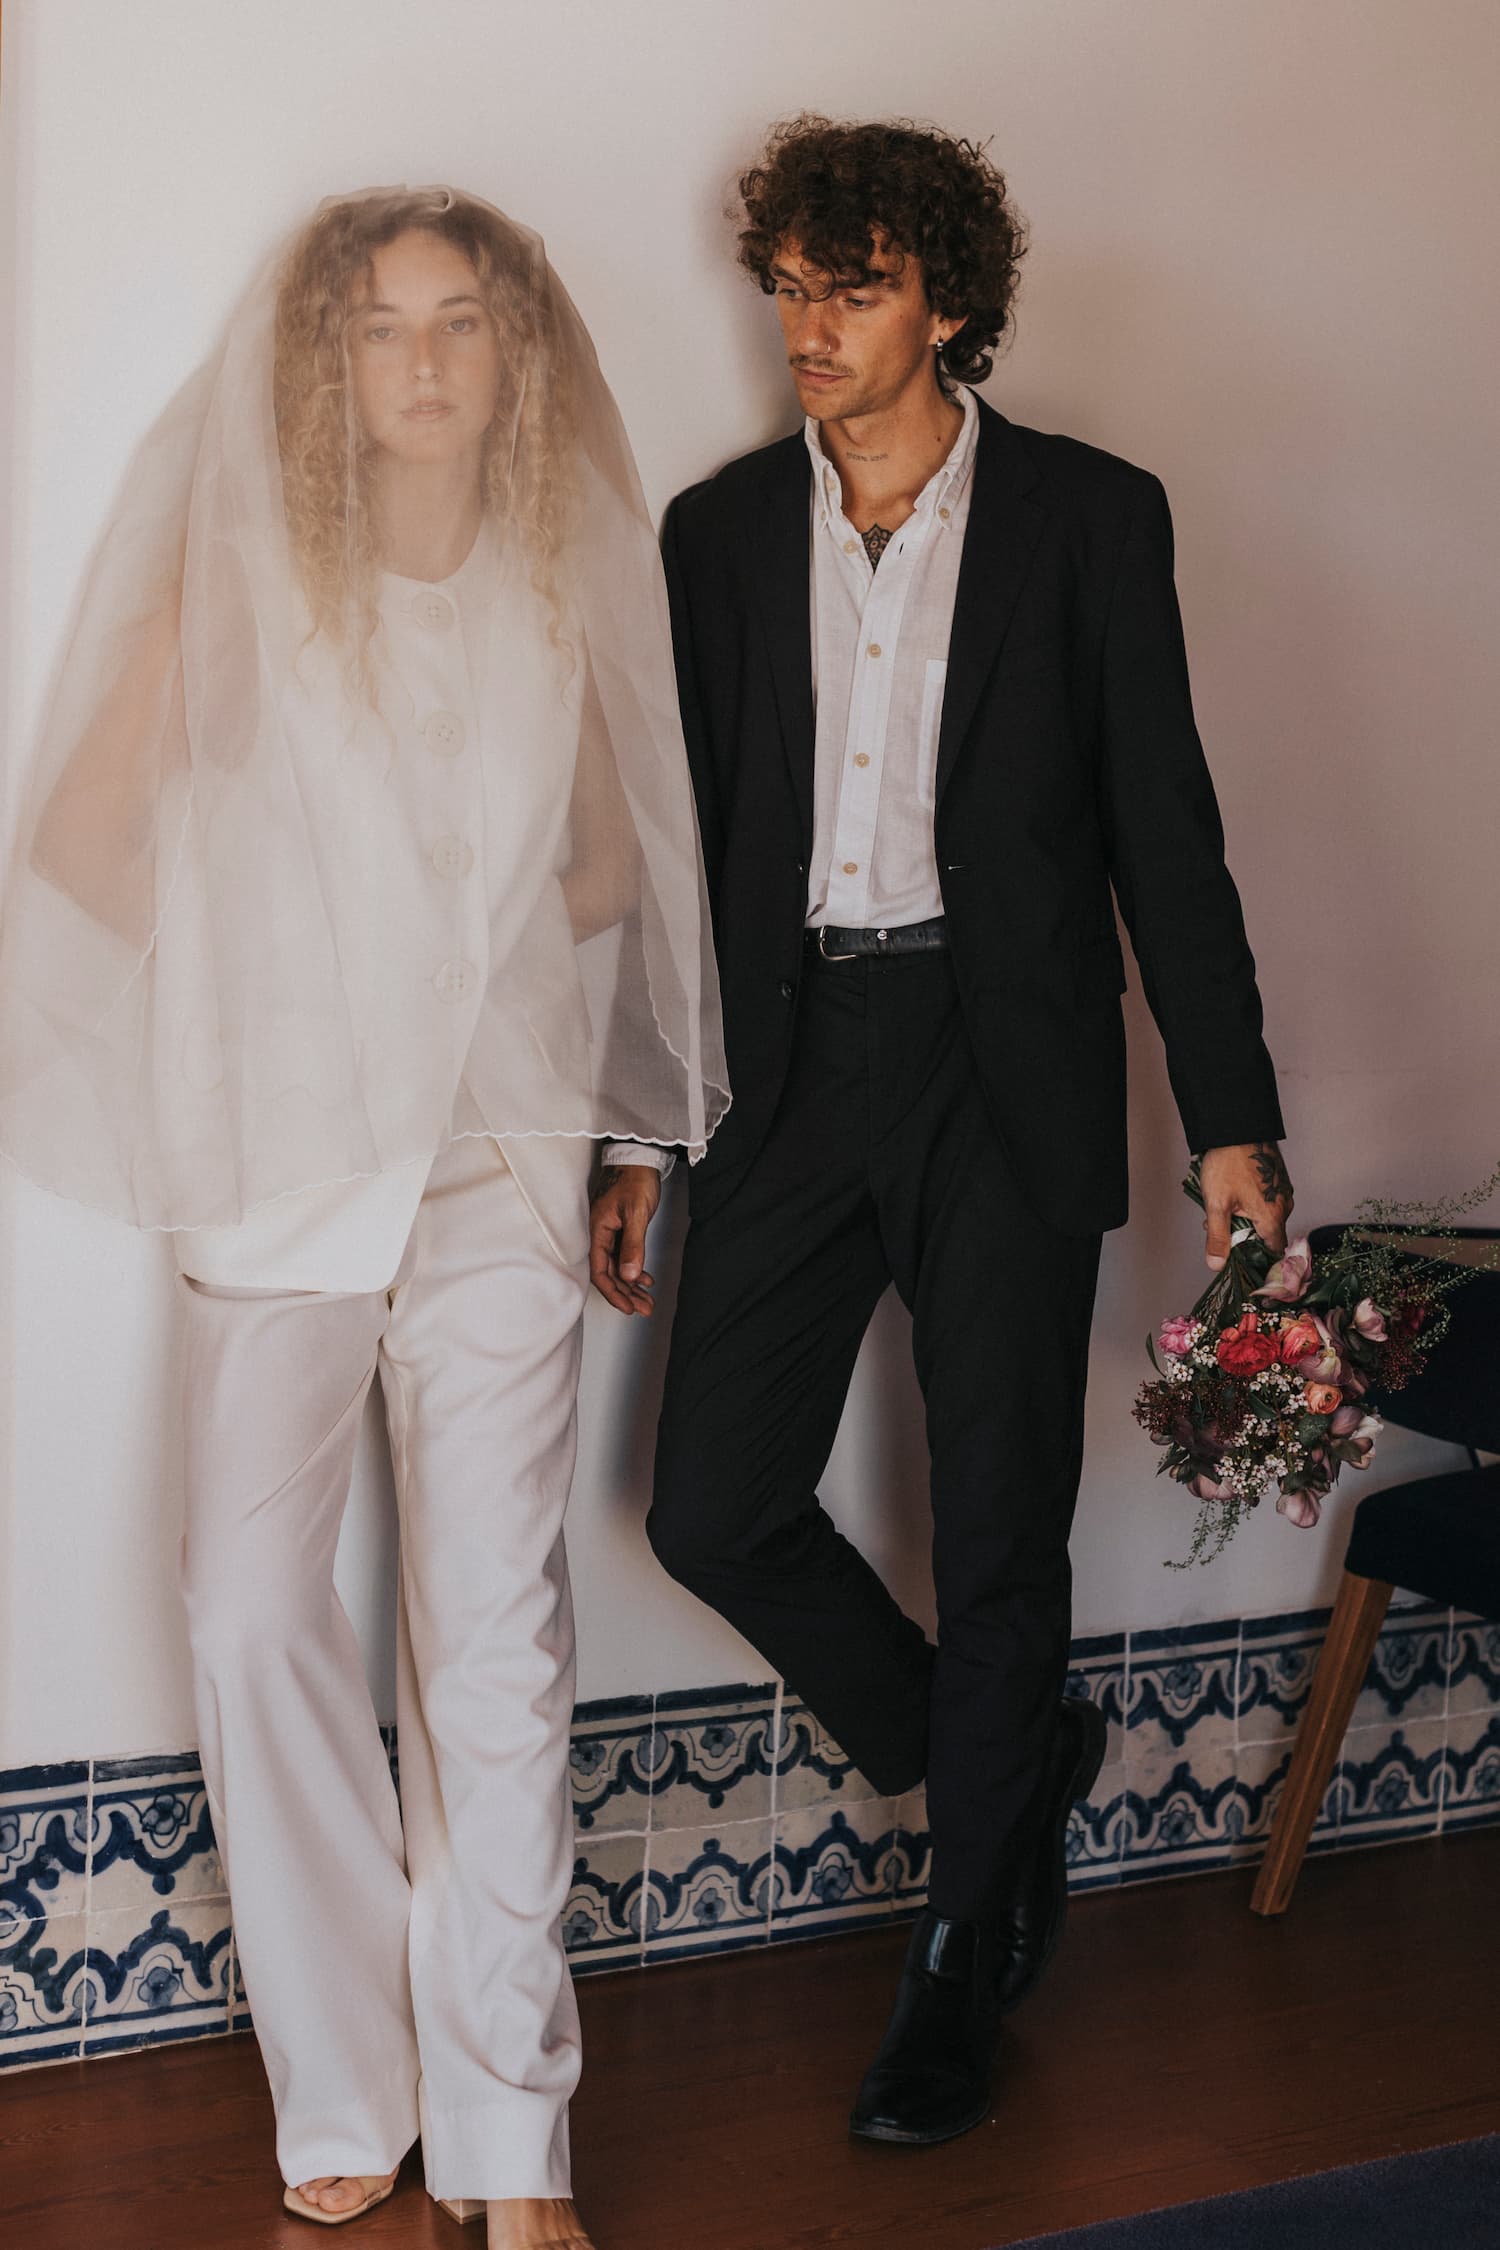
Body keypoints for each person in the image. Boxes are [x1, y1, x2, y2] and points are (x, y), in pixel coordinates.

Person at [0, 186, 726, 2240]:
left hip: (496, 1170)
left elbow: (605, 878)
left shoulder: (564, 595)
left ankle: (518, 2153)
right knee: (247, 1605)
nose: (421, 360)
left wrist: (536, 1050)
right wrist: (279, 978)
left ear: (516, 357)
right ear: (325, 365)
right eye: (383, 328)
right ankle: (351, 2068)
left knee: (495, 1648)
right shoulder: (238, 592)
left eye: (462, 323)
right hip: (283, 1171)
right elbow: (79, 845)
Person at [589, 116, 1292, 2147]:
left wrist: (1231, 1117)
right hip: (786, 1068)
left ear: (952, 303)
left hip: (1007, 1075)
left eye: (855, 288)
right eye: (792, 289)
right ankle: (998, 1763)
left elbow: (1168, 831)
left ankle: (957, 1966)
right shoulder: (720, 535)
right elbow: (678, 851)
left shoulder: (1088, 519)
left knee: (997, 1533)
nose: (807, 329)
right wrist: (645, 1131)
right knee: (714, 1500)